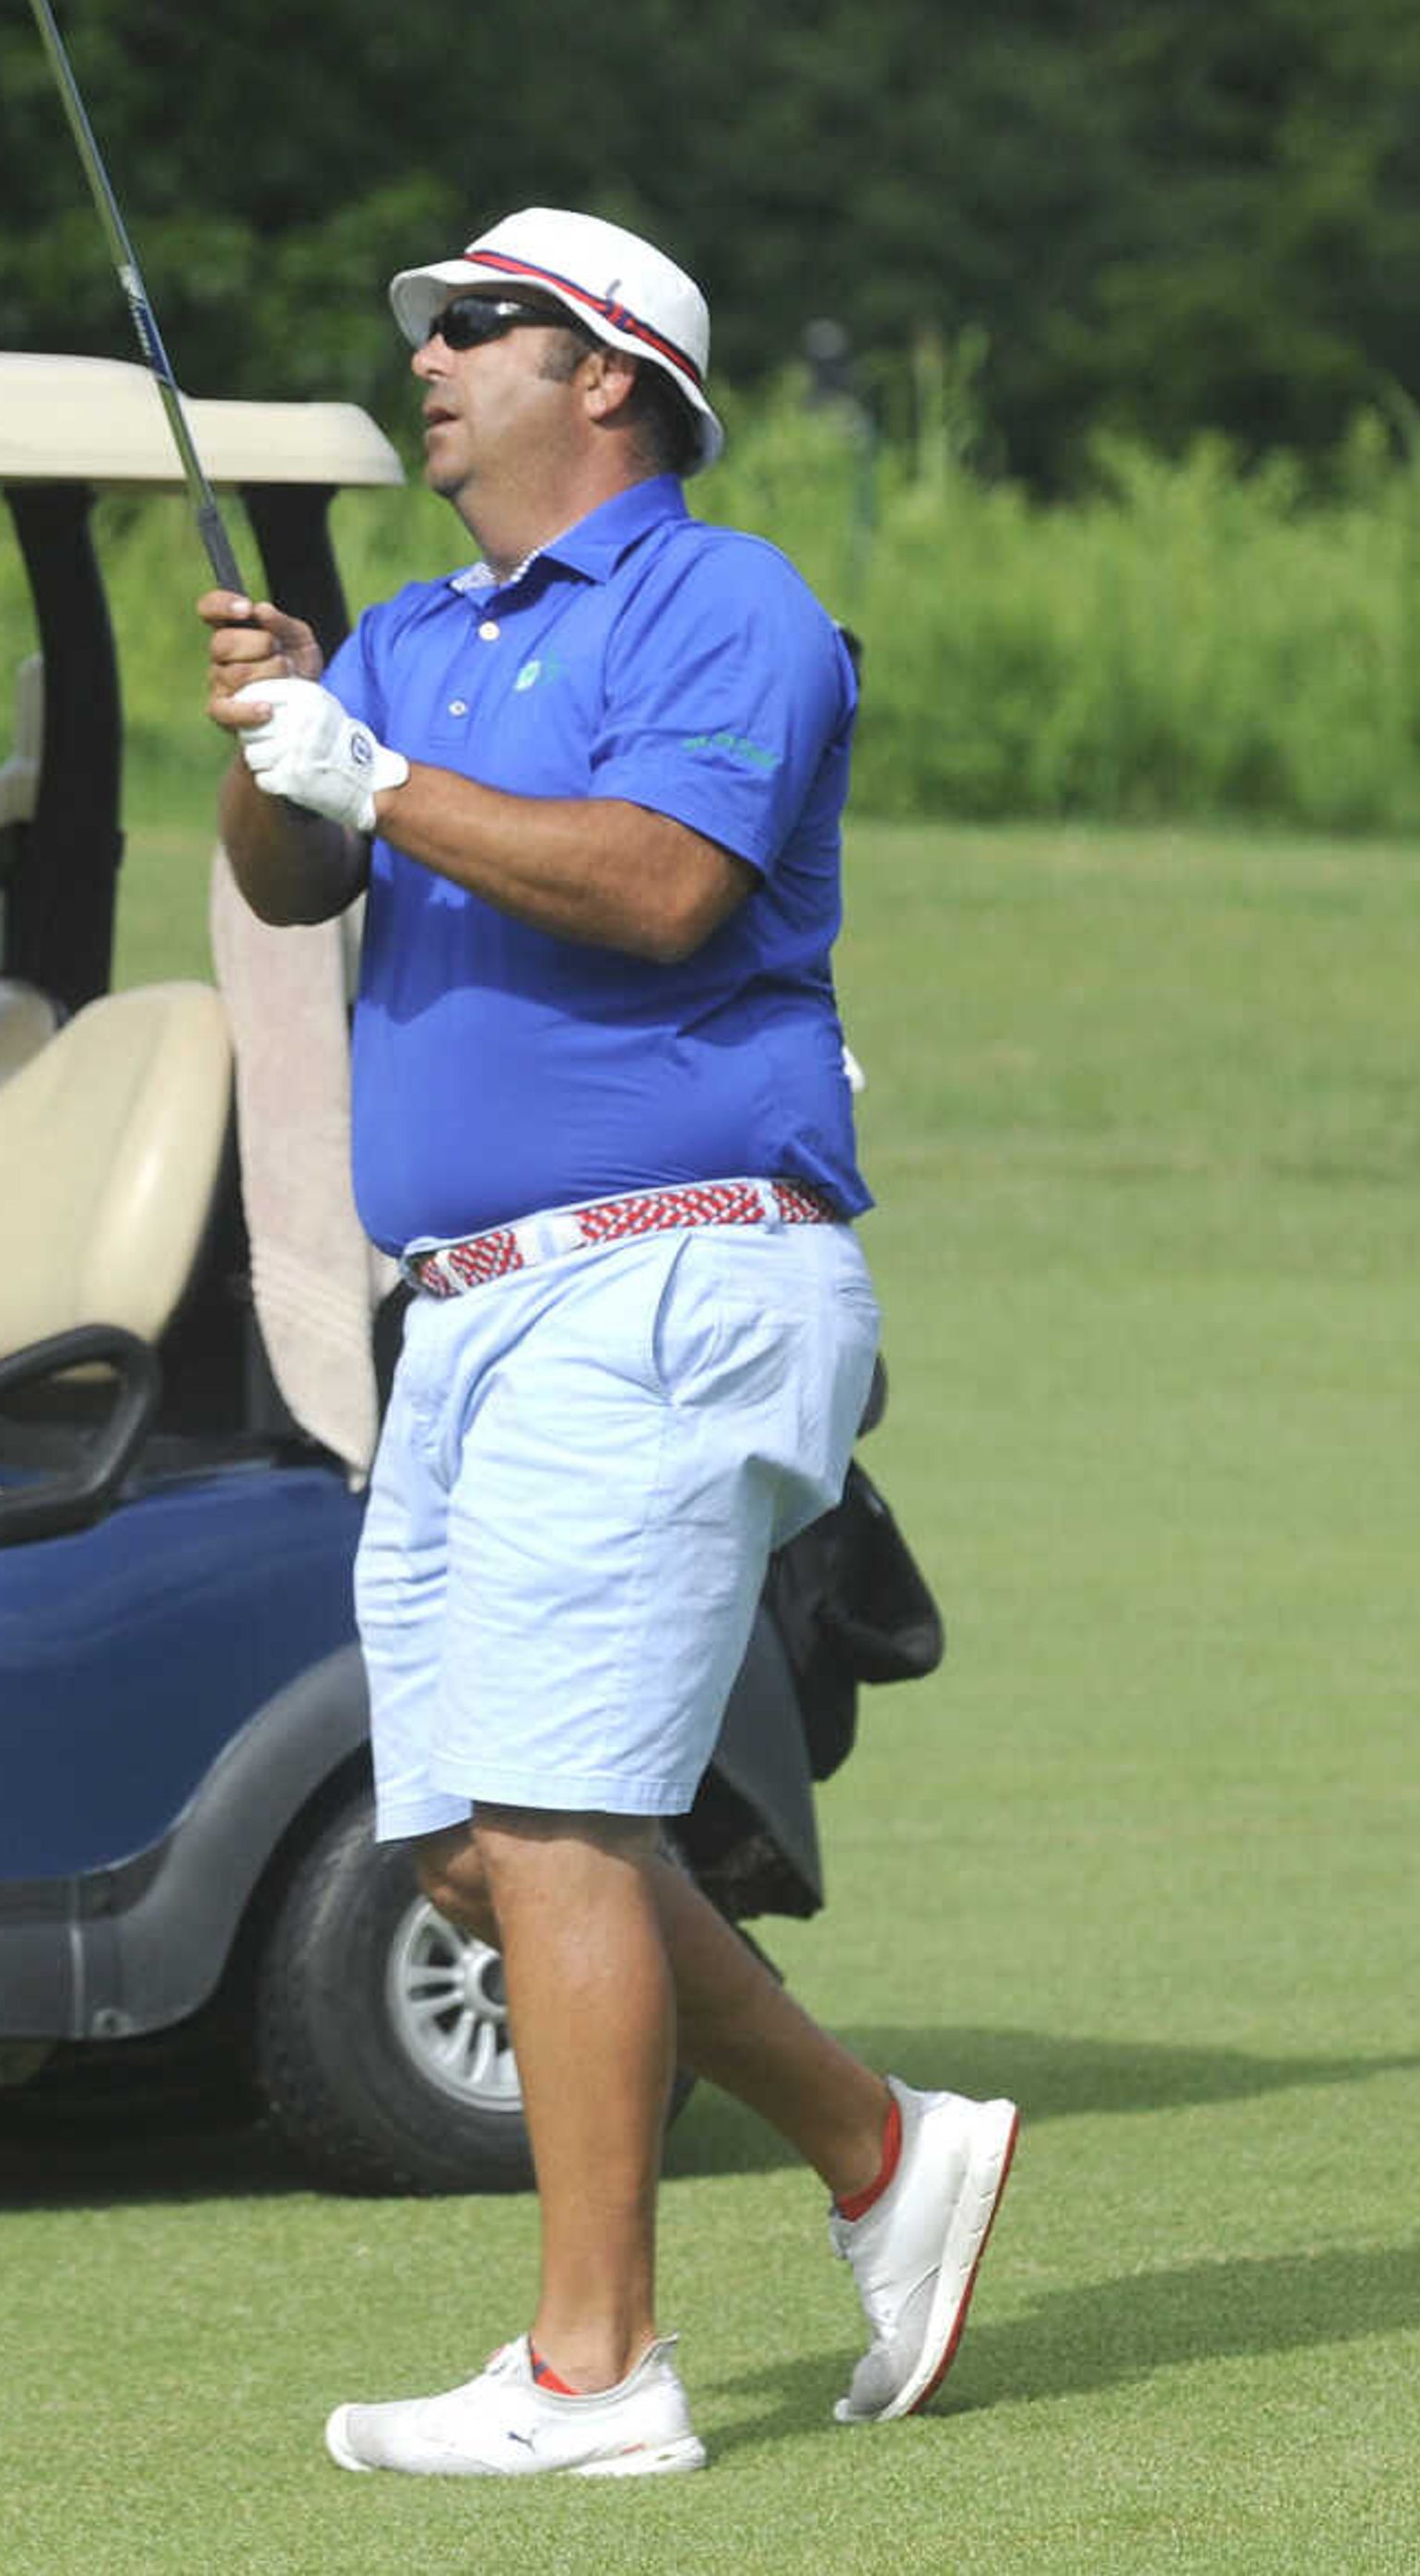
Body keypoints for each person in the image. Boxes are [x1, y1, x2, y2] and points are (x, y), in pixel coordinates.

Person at [199, 207, 1016, 2479]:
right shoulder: (407, 632)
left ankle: (597, 2376)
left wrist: (363, 771)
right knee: (470, 1838)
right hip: (467, 1312)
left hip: (664, 1270)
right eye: (429, 330)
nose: (429, 360)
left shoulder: (720, 603)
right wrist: (279, 743)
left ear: (608, 378)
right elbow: (294, 886)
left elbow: (663, 886)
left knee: (557, 1816)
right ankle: (879, 2152)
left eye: (475, 329)